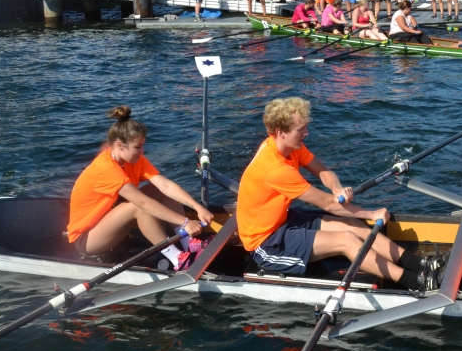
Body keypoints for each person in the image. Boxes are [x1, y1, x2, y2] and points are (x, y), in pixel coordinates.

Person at [236, 97, 441, 290]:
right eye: (301, 129)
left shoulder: (290, 147)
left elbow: (323, 172)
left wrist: (336, 188)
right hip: (266, 243)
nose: (307, 132)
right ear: (281, 132)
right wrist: (371, 214)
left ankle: (421, 263)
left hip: (284, 221)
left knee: (352, 225)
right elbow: (329, 205)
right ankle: (418, 281)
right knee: (346, 240)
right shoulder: (275, 169)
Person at [68, 106, 212, 270]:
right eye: (138, 147)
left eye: (143, 146)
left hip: (111, 223)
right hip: (87, 240)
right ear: (120, 145)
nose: (142, 152)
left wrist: (198, 207)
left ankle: (189, 242)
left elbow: (165, 185)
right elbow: (143, 203)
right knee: (137, 206)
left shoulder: (134, 160)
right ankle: (177, 258)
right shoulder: (106, 169)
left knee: (157, 190)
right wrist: (185, 222)